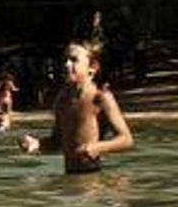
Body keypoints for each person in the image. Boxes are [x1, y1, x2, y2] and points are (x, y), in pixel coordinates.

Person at [20, 42, 134, 174]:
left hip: (92, 179)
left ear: (92, 67)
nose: (66, 64)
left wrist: (97, 147)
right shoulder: (62, 100)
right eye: (65, 60)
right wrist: (37, 144)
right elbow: (58, 141)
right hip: (69, 175)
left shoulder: (100, 98)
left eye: (74, 60)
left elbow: (126, 139)